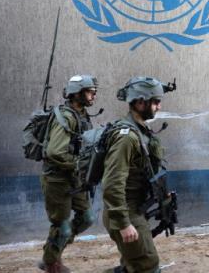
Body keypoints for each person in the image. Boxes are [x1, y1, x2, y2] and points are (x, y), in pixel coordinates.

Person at [102, 76, 171, 273]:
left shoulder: (141, 131)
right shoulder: (127, 137)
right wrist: (123, 224)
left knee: (134, 263)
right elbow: (112, 183)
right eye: (155, 102)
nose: (158, 107)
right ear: (140, 103)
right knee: (148, 264)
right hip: (124, 211)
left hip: (133, 208)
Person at [39, 75, 98, 273]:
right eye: (90, 92)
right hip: (57, 179)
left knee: (87, 217)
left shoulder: (81, 115)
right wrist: (79, 164)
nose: (94, 96)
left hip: (74, 177)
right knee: (62, 227)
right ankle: (51, 263)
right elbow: (54, 152)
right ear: (77, 94)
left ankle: (53, 250)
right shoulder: (66, 116)